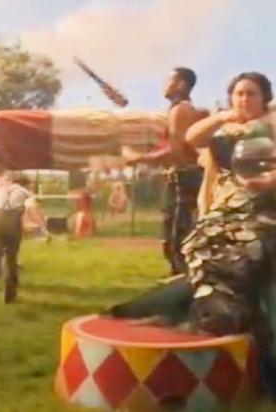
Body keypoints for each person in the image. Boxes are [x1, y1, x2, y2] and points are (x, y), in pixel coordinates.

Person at [110, 73, 276, 394]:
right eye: (238, 94)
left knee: (239, 259)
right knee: (202, 254)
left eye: (251, 94)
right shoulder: (223, 131)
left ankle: (226, 326)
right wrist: (225, 117)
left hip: (262, 213)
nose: (244, 100)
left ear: (264, 98)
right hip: (223, 213)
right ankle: (204, 316)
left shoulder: (272, 126)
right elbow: (194, 142)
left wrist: (269, 181)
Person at [128, 68, 208, 275]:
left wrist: (138, 158)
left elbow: (175, 151)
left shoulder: (180, 110)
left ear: (181, 84)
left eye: (169, 80)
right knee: (178, 237)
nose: (164, 84)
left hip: (184, 178)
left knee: (177, 239)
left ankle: (184, 284)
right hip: (185, 177)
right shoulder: (181, 109)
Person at [0, 171, 31, 303]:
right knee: (10, 258)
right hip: (13, 222)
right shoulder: (24, 192)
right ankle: (10, 291)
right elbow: (31, 208)